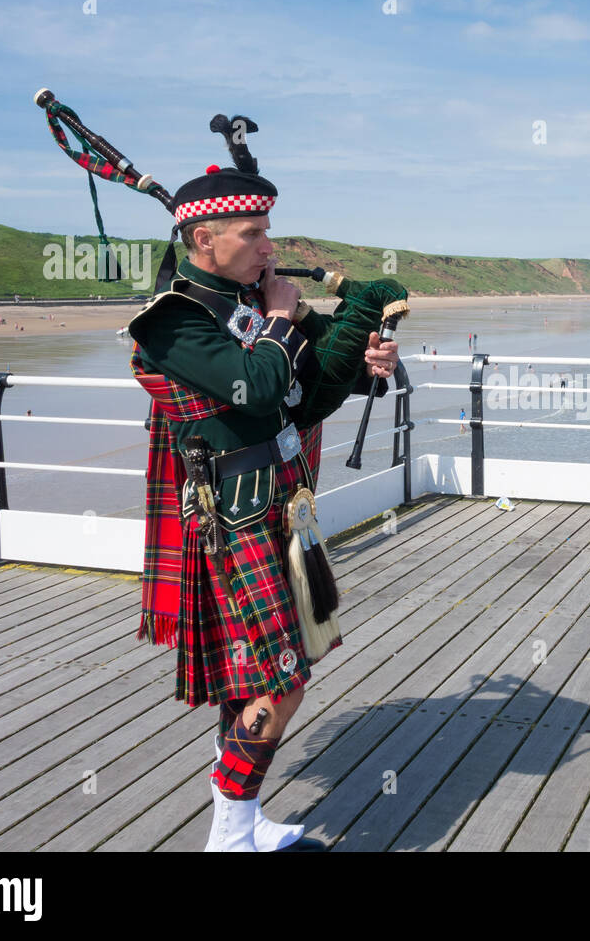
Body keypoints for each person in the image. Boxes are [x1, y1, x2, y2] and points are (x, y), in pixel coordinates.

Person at [128, 159, 398, 851]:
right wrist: (283, 320)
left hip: (282, 509)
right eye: (253, 233)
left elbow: (301, 394)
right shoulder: (173, 322)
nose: (269, 247)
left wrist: (359, 367)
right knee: (284, 679)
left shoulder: (248, 308)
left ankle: (239, 826)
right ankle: (229, 827)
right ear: (204, 241)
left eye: (268, 231)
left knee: (252, 677)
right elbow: (251, 385)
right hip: (230, 522)